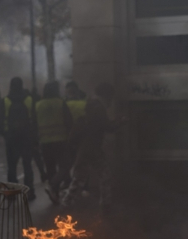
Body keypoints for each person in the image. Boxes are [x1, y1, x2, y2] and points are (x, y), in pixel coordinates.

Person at [62, 82, 126, 213]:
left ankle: (67, 202)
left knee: (80, 177)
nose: (111, 100)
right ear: (106, 96)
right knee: (104, 174)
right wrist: (120, 121)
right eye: (110, 97)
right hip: (93, 148)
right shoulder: (98, 108)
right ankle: (106, 203)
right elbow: (107, 127)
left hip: (85, 147)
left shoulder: (92, 105)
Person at [0, 77, 36, 200]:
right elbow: (35, 119)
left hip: (11, 139)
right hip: (26, 138)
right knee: (27, 165)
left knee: (12, 167)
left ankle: (11, 194)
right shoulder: (29, 100)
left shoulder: (5, 101)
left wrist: (6, 134)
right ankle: (30, 192)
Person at [36, 81, 72, 203]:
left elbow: (34, 124)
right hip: (60, 140)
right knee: (65, 167)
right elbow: (69, 121)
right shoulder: (61, 103)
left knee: (50, 168)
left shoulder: (38, 105)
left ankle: (54, 196)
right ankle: (52, 186)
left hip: (45, 142)